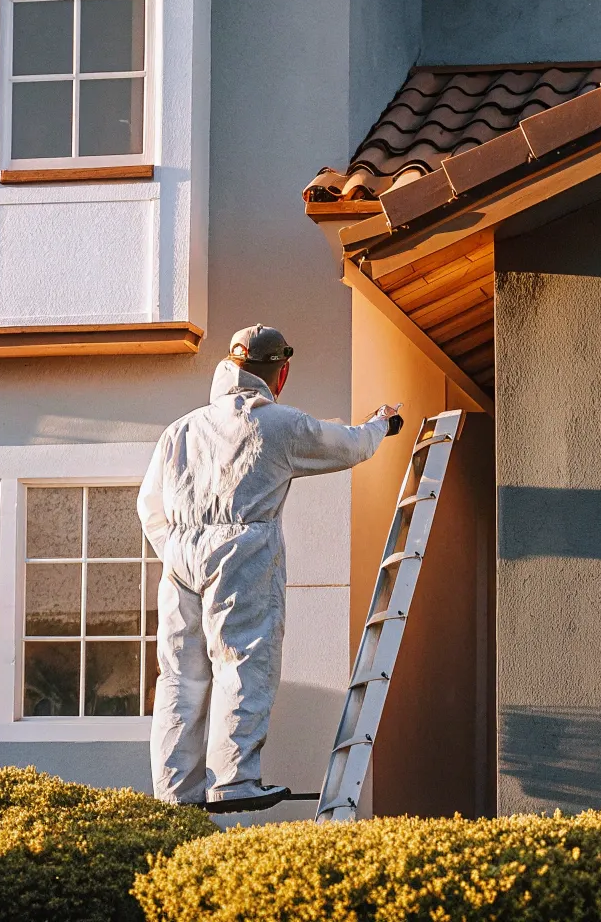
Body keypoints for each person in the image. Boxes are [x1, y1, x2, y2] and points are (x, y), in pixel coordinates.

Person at [137, 324, 402, 813]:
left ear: (230, 369)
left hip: (178, 555)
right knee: (243, 661)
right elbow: (346, 445)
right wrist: (381, 425)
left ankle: (175, 790)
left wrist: (178, 550)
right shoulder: (276, 423)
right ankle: (234, 780)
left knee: (179, 675)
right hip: (242, 548)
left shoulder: (181, 430)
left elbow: (148, 504)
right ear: (278, 374)